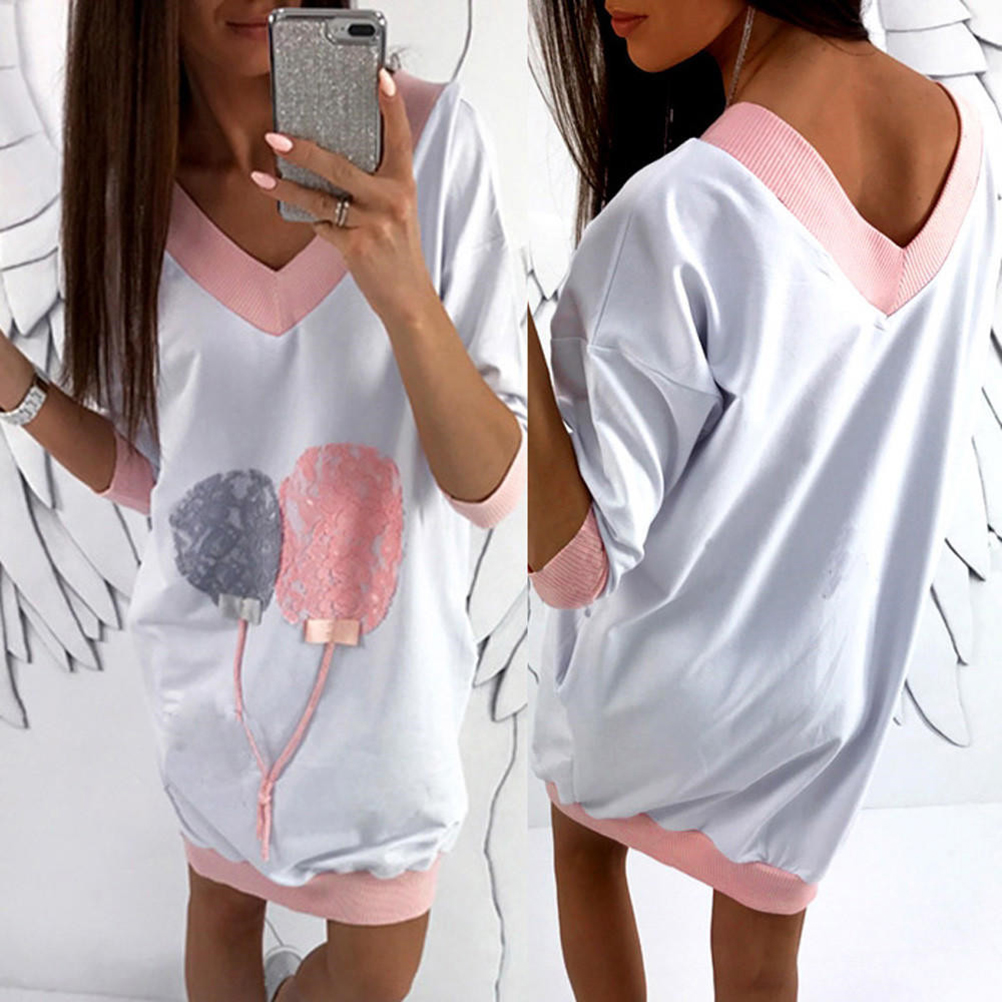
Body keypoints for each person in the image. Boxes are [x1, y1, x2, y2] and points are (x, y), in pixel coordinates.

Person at [0, 2, 526, 1000]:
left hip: (385, 727)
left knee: (371, 978)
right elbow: (165, 480)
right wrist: (16, 387)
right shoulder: (128, 191)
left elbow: (491, 492)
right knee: (221, 917)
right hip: (213, 698)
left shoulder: (435, 143)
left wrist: (399, 283)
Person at [527, 2, 1002, 1000]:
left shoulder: (679, 209)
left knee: (581, 844)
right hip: (827, 694)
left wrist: (491, 320)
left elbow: (575, 569)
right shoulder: (967, 137)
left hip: (660, 687)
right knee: (760, 962)